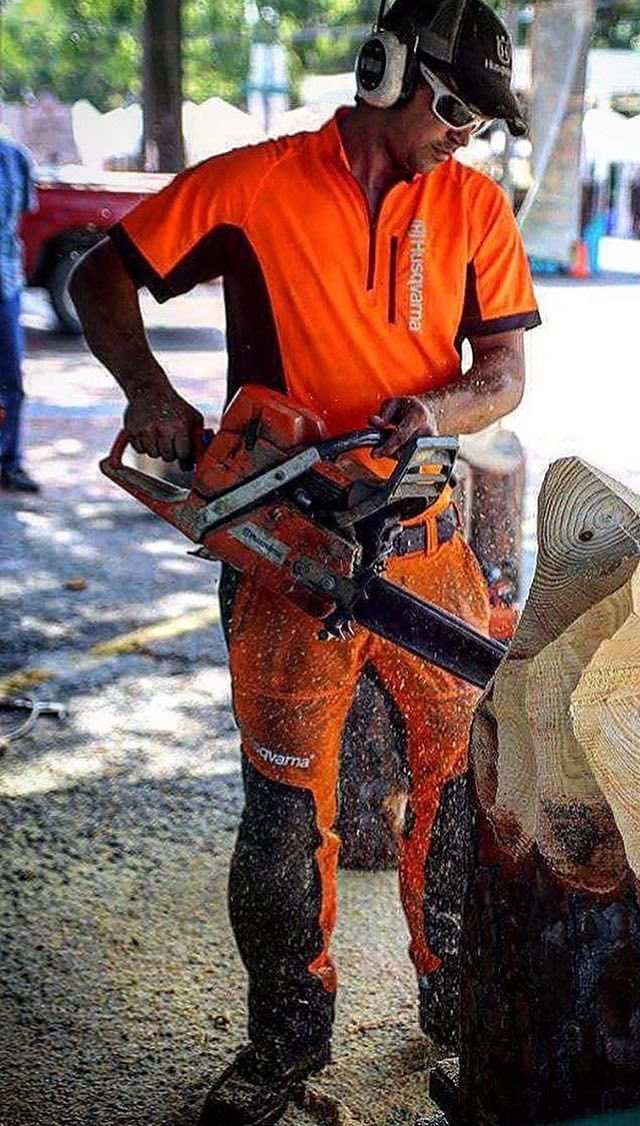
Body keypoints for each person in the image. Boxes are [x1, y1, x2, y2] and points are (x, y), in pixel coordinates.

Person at [69, 1, 540, 1123]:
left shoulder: (472, 205)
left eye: (482, 117)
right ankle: (283, 1046)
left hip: (424, 542)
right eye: (455, 107)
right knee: (285, 802)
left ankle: (459, 1005)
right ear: (387, 73)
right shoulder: (252, 184)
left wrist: (434, 405)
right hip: (285, 552)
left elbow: (507, 368)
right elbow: (101, 276)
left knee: (463, 772)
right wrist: (152, 396)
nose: (465, 135)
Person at [0, 134, 40, 493]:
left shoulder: (14, 157)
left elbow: (22, 217)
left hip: (5, 281)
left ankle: (7, 462)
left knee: (10, 380)